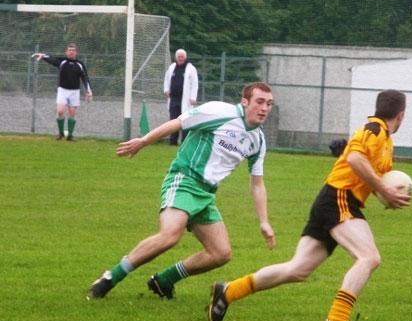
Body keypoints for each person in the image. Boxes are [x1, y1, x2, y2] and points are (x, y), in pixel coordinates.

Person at [208, 89, 411, 321]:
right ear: (401, 115)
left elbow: (370, 176)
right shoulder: (374, 129)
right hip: (338, 198)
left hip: (335, 201)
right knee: (369, 257)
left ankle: (228, 291)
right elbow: (356, 159)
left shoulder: (386, 142)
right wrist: (382, 189)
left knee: (297, 270)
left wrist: (388, 195)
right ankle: (337, 320)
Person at [87, 82, 276, 300]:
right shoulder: (220, 112)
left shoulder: (258, 140)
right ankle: (110, 277)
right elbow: (179, 122)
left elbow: (257, 184)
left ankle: (163, 281)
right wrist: (144, 141)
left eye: (269, 104)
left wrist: (264, 221)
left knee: (221, 254)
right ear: (245, 102)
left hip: (206, 195)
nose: (264, 108)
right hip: (184, 179)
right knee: (169, 235)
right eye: (260, 102)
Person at [32, 44, 93, 141]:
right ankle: (60, 133)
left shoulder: (79, 64)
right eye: (69, 50)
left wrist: (89, 91)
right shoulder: (62, 62)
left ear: (76, 52)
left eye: (73, 50)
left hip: (75, 92)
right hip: (62, 90)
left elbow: (85, 78)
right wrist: (43, 56)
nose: (71, 51)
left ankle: (70, 135)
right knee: (60, 111)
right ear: (66, 52)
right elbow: (52, 60)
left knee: (72, 113)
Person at [164, 49, 198, 145]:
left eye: (182, 56)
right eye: (179, 56)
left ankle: (185, 141)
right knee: (173, 119)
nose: (180, 58)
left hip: (185, 100)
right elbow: (166, 79)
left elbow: (195, 84)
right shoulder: (172, 67)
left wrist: (193, 97)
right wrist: (166, 90)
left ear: (185, 57)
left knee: (185, 120)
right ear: (176, 58)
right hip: (173, 99)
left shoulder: (191, 69)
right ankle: (173, 141)